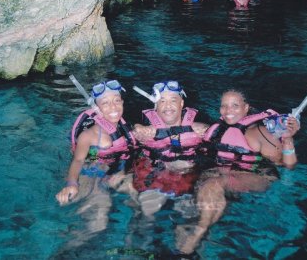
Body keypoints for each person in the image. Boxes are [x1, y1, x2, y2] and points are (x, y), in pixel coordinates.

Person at [176, 89, 300, 255]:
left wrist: (288, 139)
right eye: (224, 106)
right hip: (224, 174)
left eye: (235, 106)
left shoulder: (258, 133)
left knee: (214, 183)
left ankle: (199, 232)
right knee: (193, 196)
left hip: (258, 176)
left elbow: (287, 165)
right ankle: (203, 235)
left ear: (246, 108)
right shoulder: (217, 129)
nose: (228, 111)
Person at [55, 79, 137, 246]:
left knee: (137, 199)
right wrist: (71, 183)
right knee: (98, 218)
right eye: (105, 103)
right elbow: (78, 160)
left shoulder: (126, 127)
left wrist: (124, 172)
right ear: (97, 108)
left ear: (122, 102)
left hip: (115, 168)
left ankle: (132, 243)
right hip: (90, 170)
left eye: (116, 101)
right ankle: (65, 247)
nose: (113, 107)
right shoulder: (89, 135)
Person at [132, 80, 209, 216]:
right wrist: (136, 130)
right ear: (155, 106)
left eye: (173, 100)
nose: (168, 105)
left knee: (190, 216)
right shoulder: (145, 133)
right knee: (145, 213)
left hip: (187, 178)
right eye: (162, 101)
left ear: (181, 103)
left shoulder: (200, 130)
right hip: (154, 175)